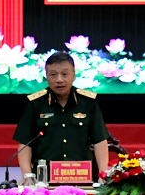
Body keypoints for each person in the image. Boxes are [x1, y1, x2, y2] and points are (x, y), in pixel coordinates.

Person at [14, 52, 109, 180]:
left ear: (74, 75)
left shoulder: (88, 103)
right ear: (46, 76)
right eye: (53, 75)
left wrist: (103, 174)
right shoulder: (35, 104)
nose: (59, 80)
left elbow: (100, 141)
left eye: (65, 74)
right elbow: (25, 143)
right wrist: (27, 175)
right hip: (44, 179)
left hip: (81, 177)